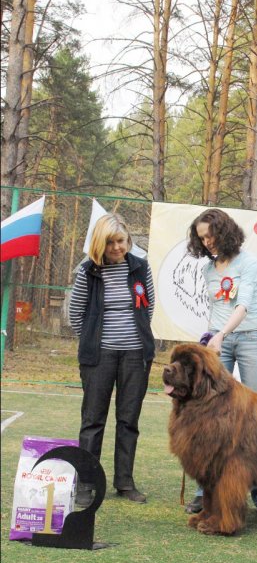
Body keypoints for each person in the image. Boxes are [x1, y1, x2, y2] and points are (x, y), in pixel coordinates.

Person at [185, 208, 257, 521]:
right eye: (202, 238)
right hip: (217, 342)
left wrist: (223, 334)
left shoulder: (248, 263)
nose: (207, 242)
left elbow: (243, 304)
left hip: (250, 338)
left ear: (224, 231)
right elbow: (217, 309)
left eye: (210, 234)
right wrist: (212, 336)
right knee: (208, 417)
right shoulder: (208, 270)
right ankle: (206, 492)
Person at [69, 213, 155, 505]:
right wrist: (95, 341)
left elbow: (148, 307)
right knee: (93, 420)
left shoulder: (141, 268)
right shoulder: (87, 272)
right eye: (110, 243)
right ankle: (86, 483)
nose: (117, 248)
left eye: (121, 241)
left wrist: (135, 339)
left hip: (135, 356)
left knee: (128, 420)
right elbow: (75, 315)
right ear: (99, 244)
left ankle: (125, 482)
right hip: (99, 357)